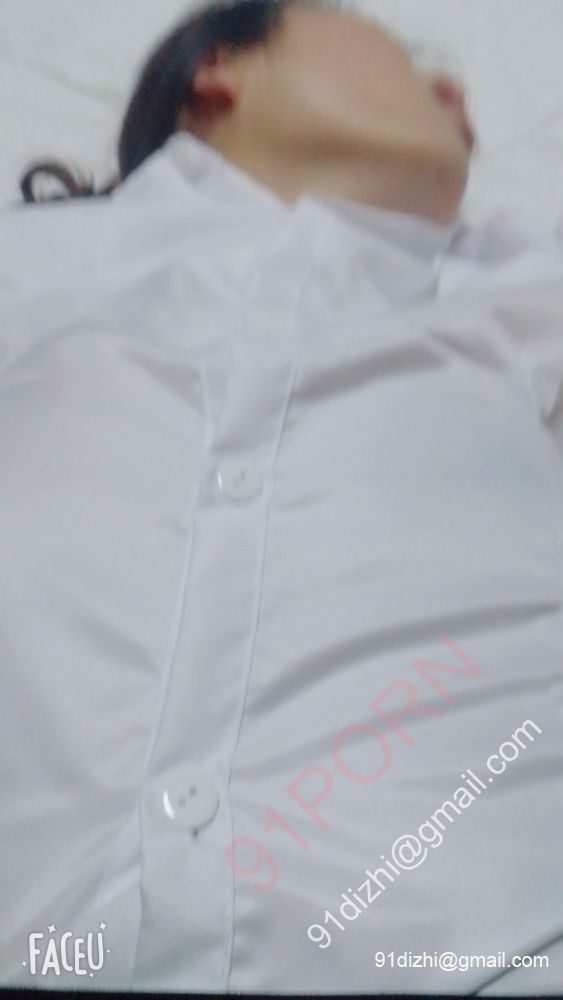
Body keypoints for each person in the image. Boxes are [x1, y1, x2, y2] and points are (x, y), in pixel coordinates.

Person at [2, 0, 563, 995]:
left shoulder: (525, 280)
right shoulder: (31, 263)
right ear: (219, 71)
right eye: (409, 55)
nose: (454, 91)